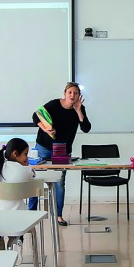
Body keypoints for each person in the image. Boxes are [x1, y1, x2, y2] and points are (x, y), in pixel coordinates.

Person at [32, 82, 91, 226]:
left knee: (60, 183)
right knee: (35, 179)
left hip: (62, 150)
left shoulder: (79, 108)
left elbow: (86, 128)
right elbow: (36, 116)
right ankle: (31, 213)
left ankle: (58, 215)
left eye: (76, 93)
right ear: (65, 93)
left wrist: (78, 111)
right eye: (70, 92)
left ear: (79, 96)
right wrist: (45, 129)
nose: (72, 95)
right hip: (44, 146)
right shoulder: (54, 104)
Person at [0, 137, 35, 210]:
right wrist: (27, 165)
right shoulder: (25, 170)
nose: (27, 158)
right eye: (25, 154)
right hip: (19, 214)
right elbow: (32, 176)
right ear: (15, 153)